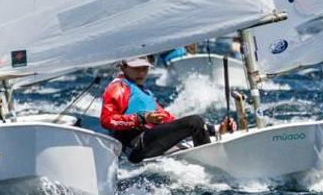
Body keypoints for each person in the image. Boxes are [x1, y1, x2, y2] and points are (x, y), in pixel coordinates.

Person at [100, 56, 236, 163]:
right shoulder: (118, 88)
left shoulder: (144, 92)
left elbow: (169, 120)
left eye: (144, 68)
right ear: (123, 67)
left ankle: (208, 159)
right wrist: (142, 118)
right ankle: (211, 163)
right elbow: (107, 120)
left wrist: (215, 129)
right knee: (194, 120)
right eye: (136, 68)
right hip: (137, 147)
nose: (141, 72)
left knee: (195, 122)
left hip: (150, 140)